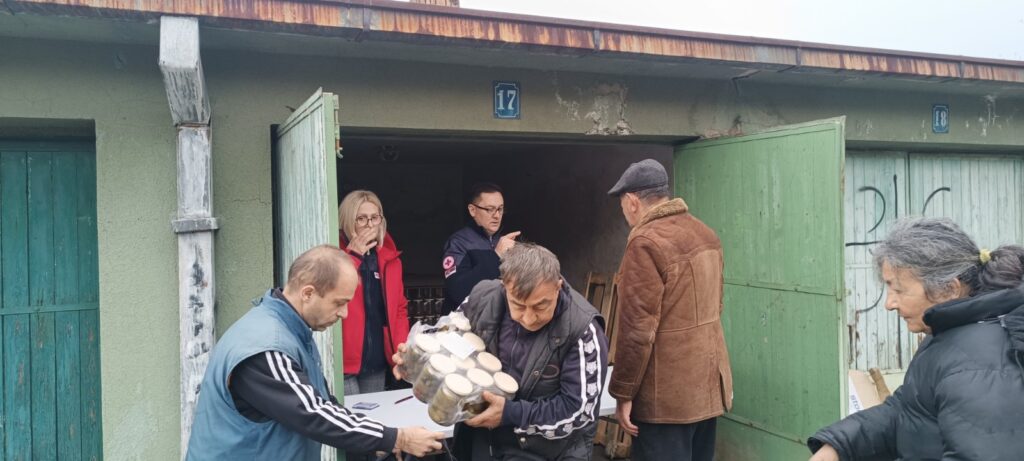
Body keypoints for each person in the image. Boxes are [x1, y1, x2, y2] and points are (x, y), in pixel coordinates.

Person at [186, 245, 444, 461]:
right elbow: (314, 413)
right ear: (308, 293)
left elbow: (323, 403)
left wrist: (379, 440)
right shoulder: (266, 347)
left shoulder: (289, 330)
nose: (344, 314)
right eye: (339, 303)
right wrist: (398, 438)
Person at [808, 218, 1024, 461]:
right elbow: (909, 410)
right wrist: (838, 446)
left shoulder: (977, 365)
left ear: (949, 289)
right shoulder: (948, 332)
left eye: (899, 290)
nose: (889, 304)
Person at [396, 243, 609, 460]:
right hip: (483, 442)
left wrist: (509, 414)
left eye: (540, 306)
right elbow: (450, 335)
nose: (529, 318)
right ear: (504, 285)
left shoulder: (582, 330)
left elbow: (579, 412)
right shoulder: (483, 298)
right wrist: (416, 355)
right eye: (518, 305)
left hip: (545, 451)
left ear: (558, 287)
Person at [606, 159, 733, 461]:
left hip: (664, 400)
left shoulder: (645, 243)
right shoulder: (706, 234)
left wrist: (623, 393)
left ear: (633, 201)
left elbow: (637, 331)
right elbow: (717, 304)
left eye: (622, 205)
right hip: (706, 390)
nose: (625, 213)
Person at [337, 190, 410, 396]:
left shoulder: (390, 259)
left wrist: (401, 349)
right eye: (361, 219)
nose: (369, 225)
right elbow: (332, 290)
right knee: (348, 415)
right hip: (344, 361)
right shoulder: (335, 254)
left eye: (374, 218)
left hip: (377, 359)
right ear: (347, 221)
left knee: (373, 414)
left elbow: (399, 308)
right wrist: (353, 256)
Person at [442, 182, 521, 312]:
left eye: (500, 209)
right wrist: (496, 256)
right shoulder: (459, 242)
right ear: (472, 210)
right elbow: (458, 291)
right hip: (464, 320)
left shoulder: (506, 240)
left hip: (497, 318)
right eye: (490, 209)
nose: (497, 215)